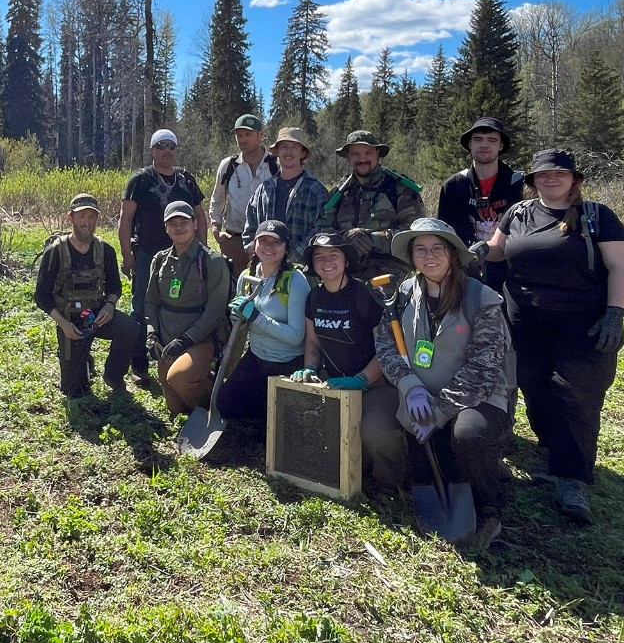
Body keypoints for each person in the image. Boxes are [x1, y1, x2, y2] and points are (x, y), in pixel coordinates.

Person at [480, 149, 624, 525]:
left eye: (559, 173)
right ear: (533, 181)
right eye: (543, 175)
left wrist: (615, 312)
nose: (551, 179)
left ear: (573, 179)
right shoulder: (518, 213)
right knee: (532, 383)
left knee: (577, 392)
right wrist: (477, 251)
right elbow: (498, 251)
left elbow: (619, 265)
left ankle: (572, 478)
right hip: (524, 317)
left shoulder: (597, 216)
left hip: (581, 319)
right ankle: (551, 447)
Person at [374, 218, 515, 546]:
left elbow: (482, 370)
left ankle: (490, 505)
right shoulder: (403, 294)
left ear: (453, 254)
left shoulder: (482, 299)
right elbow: (386, 345)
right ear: (412, 257)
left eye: (438, 248)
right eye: (420, 250)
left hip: (480, 397)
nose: (429, 256)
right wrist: (409, 386)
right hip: (422, 393)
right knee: (423, 448)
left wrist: (439, 411)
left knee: (467, 435)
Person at [290, 232, 401, 490]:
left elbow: (386, 349)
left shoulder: (365, 296)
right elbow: (313, 341)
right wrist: (310, 368)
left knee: (376, 432)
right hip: (334, 384)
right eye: (319, 257)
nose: (326, 262)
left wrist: (361, 379)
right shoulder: (314, 297)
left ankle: (390, 483)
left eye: (333, 255)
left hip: (375, 386)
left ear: (346, 261)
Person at [35, 194, 147, 398]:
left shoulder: (105, 250)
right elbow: (42, 296)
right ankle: (82, 360)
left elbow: (114, 287)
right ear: (70, 218)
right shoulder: (55, 252)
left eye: (91, 217)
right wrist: (64, 325)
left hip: (95, 315)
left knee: (130, 328)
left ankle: (113, 376)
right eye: (81, 216)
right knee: (74, 391)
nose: (87, 222)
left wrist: (109, 305)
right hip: (70, 319)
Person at [119, 129, 207, 379]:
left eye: (171, 146)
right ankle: (139, 362)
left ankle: (176, 357)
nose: (167, 150)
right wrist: (127, 256)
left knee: (179, 304)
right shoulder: (140, 180)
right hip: (147, 254)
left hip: (183, 256)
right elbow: (125, 220)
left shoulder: (186, 180)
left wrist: (202, 250)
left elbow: (200, 215)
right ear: (152, 150)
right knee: (141, 306)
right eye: (161, 146)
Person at [216, 220, 310, 423]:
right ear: (255, 244)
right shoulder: (247, 276)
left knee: (272, 427)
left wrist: (256, 317)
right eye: (263, 241)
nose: (269, 247)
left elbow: (296, 337)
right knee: (225, 404)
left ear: (286, 247)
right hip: (257, 357)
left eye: (276, 242)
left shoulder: (295, 280)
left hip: (287, 363)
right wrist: (237, 317)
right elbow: (241, 324)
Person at [145, 201, 231, 417]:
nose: (179, 227)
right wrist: (152, 333)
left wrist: (186, 340)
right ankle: (201, 389)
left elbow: (215, 310)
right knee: (175, 408)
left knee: (179, 378)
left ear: (195, 224)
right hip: (167, 340)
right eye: (172, 223)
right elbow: (151, 302)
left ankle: (217, 408)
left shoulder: (212, 261)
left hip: (201, 339)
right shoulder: (160, 260)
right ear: (165, 228)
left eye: (184, 221)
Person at [317, 130, 425, 282]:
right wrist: (346, 237)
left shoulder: (400, 189)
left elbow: (415, 233)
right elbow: (323, 232)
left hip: (393, 277)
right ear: (348, 157)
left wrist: (373, 239)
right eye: (355, 154)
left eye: (368, 153)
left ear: (378, 154)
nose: (362, 159)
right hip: (346, 277)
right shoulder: (339, 194)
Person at [436, 117, 523, 292]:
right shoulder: (454, 186)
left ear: (501, 146)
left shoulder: (518, 184)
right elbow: (444, 235)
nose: (484, 145)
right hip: (465, 276)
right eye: (478, 139)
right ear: (469, 144)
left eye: (492, 140)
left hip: (513, 277)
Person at [242, 127, 328, 265]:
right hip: (265, 267)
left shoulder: (315, 189)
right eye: (284, 147)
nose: (289, 152)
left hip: (302, 268)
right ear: (277, 152)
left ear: (303, 153)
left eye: (295, 147)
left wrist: (292, 259)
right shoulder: (263, 189)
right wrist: (257, 252)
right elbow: (250, 226)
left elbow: (321, 227)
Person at [209, 114, 278, 277]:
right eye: (239, 135)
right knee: (235, 286)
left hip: (268, 241)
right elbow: (217, 200)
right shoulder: (228, 166)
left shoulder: (275, 165)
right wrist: (216, 229)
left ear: (260, 135)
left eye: (248, 134)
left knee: (267, 285)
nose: (243, 140)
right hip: (234, 240)